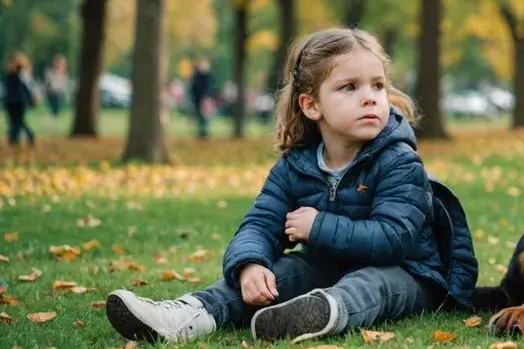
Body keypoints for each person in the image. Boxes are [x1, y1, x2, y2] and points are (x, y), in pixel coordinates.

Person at [104, 28, 478, 343]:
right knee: (279, 273)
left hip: (408, 274)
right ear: (311, 105)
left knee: (371, 283)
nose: (370, 97)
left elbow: (395, 237)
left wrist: (318, 226)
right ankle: (188, 315)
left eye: (378, 86)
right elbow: (260, 223)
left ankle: (322, 313)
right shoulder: (295, 166)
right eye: (349, 87)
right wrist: (251, 264)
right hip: (328, 267)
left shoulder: (398, 160)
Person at [3, 52, 37, 148]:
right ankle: (15, 140)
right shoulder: (9, 74)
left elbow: (26, 88)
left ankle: (16, 139)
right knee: (14, 122)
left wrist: (31, 100)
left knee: (19, 122)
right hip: (10, 102)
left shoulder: (22, 74)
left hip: (19, 102)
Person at [190, 57, 213, 139]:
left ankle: (204, 133)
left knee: (204, 117)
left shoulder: (206, 76)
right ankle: (201, 132)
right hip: (198, 99)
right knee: (200, 117)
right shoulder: (197, 75)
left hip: (203, 99)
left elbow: (207, 88)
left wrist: (205, 98)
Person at [43, 54, 69, 119]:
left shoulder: (63, 73)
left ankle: (55, 116)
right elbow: (48, 84)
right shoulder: (49, 72)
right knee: (54, 109)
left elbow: (64, 84)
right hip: (52, 93)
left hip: (60, 93)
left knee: (57, 109)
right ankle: (53, 116)